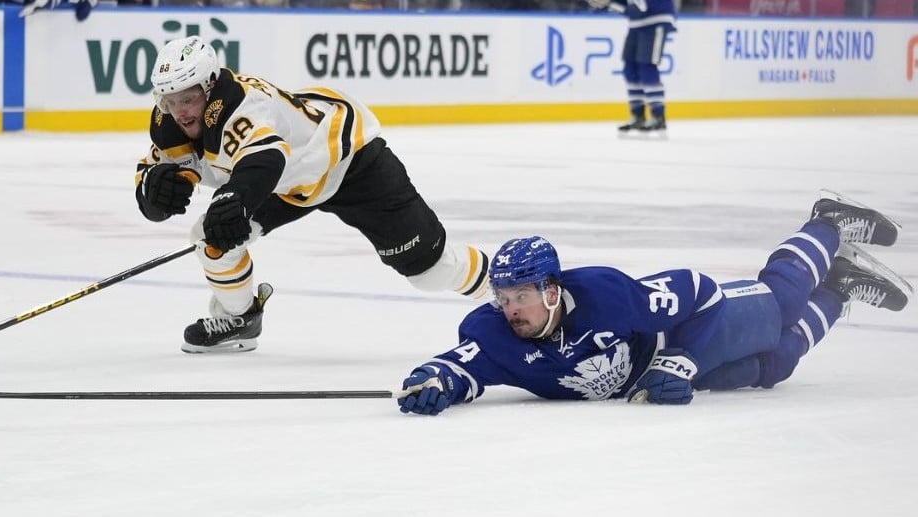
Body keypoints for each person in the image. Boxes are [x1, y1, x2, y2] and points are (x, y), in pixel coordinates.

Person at [396, 192, 911, 414]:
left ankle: (826, 222)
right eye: (503, 297)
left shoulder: (606, 294)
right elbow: (455, 368)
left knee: (780, 304)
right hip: (654, 379)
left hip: (679, 342)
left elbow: (699, 290)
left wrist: (680, 360)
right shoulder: (495, 334)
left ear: (552, 291)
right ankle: (841, 287)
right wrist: (432, 382)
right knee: (775, 365)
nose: (511, 309)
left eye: (522, 296)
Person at [135, 36, 491, 354]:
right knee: (210, 237)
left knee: (429, 272)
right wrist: (153, 194)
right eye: (170, 100)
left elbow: (265, 158)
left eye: (188, 98)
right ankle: (239, 317)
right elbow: (152, 174)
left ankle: (504, 287)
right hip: (289, 184)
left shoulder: (242, 107)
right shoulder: (171, 121)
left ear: (210, 87)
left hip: (347, 160)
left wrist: (236, 199)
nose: (179, 110)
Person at [586, 0, 676, 133]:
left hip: (656, 20)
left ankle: (658, 116)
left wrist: (609, 4)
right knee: (630, 69)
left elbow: (641, 7)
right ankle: (637, 116)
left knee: (647, 67)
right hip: (636, 24)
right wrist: (607, 4)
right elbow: (629, 8)